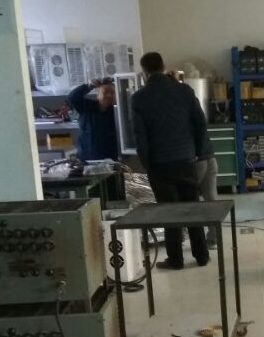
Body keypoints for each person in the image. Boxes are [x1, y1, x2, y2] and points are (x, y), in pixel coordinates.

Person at [132, 52, 210, 269]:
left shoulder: (139, 98)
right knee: (191, 207)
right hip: (186, 158)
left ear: (144, 72)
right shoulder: (184, 90)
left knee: (168, 211)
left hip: (160, 163)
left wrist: (147, 164)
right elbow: (200, 123)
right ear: (163, 66)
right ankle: (201, 255)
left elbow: (140, 136)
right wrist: (197, 152)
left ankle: (175, 259)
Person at [68, 78, 118, 161]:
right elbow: (72, 97)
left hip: (109, 159)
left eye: (112, 93)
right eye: (105, 92)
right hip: (86, 157)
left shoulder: (117, 112)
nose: (109, 95)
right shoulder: (86, 106)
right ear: (98, 94)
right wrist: (88, 86)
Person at [195, 137, 219, 249]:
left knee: (188, 200)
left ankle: (194, 241)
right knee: (211, 200)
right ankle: (213, 239)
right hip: (209, 157)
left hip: (194, 160)